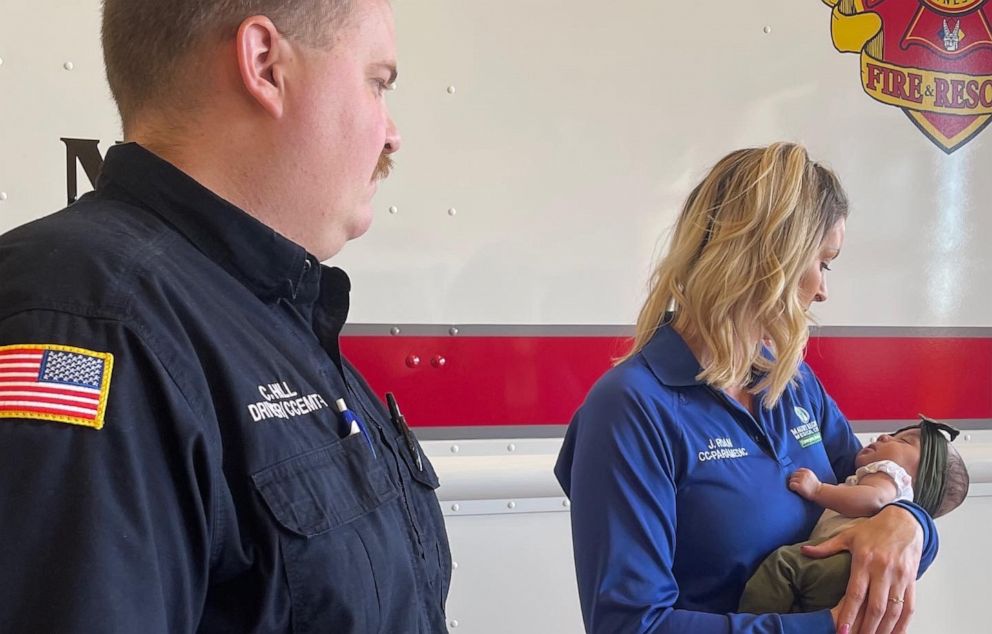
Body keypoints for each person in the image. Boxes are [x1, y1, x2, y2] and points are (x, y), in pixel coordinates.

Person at [0, 0, 451, 632]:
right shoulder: (93, 321)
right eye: (376, 82)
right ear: (264, 64)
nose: (392, 132)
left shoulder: (267, 310)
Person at [555, 143, 940, 634]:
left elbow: (874, 483)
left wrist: (912, 523)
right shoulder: (631, 407)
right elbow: (630, 625)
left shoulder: (793, 385)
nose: (823, 290)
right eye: (823, 262)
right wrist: (827, 627)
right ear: (768, 258)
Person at [739, 416, 970, 614]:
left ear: (923, 478)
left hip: (845, 563)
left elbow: (873, 499)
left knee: (783, 566)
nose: (885, 437)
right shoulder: (876, 478)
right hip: (848, 568)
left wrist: (818, 490)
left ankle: (752, 623)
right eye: (893, 434)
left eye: (904, 441)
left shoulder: (891, 475)